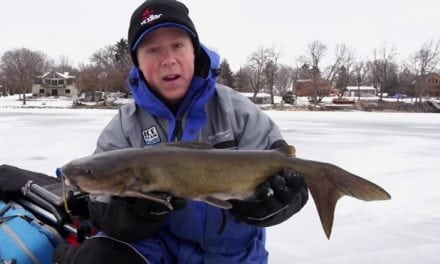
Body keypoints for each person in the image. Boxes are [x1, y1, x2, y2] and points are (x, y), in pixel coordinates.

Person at [53, 0, 308, 263]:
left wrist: (273, 206)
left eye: (178, 45)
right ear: (137, 63)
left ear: (194, 51)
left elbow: (287, 174)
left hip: (232, 255)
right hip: (157, 251)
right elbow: (102, 208)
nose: (168, 60)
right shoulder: (123, 127)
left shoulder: (238, 112)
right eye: (153, 50)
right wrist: (132, 215)